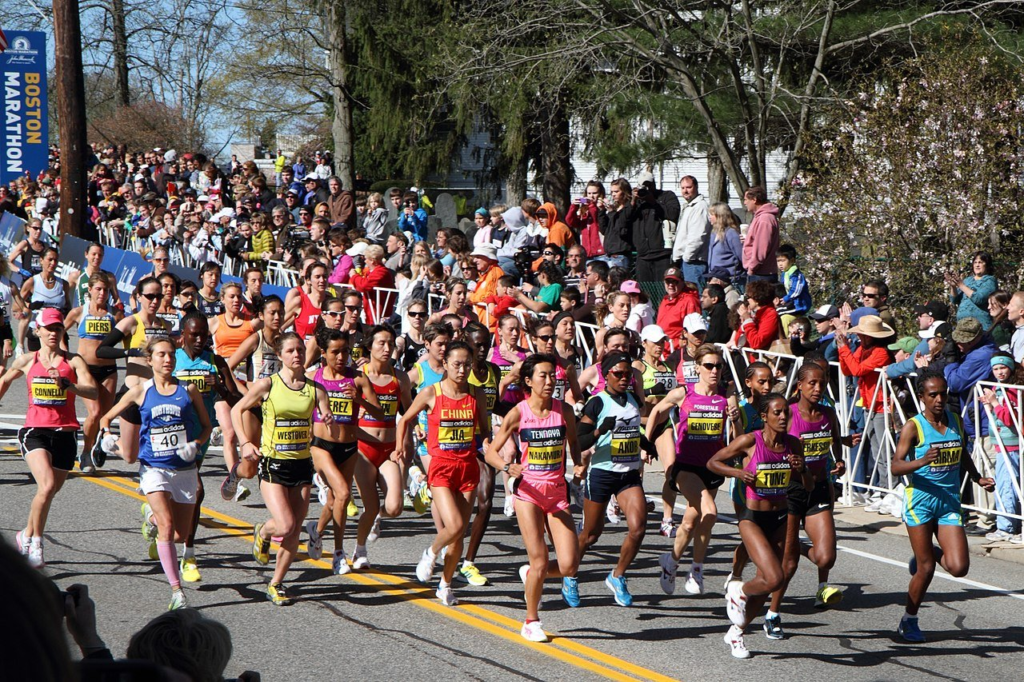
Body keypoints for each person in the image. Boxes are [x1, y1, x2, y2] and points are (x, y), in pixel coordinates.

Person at [100, 335, 212, 610]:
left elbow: (208, 426)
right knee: (167, 527)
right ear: (149, 360)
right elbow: (106, 417)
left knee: (179, 535)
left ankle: (148, 516)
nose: (167, 359)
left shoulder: (189, 390)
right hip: (153, 468)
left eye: (171, 355)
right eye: (161, 355)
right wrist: (106, 436)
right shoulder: (140, 391)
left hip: (184, 470)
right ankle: (177, 592)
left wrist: (195, 445)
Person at [231, 332, 334, 605]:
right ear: (279, 355)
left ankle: (276, 583)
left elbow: (325, 412)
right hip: (273, 463)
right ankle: (263, 532)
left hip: (301, 465)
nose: (297, 354)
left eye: (300, 349)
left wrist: (327, 416)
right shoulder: (268, 385)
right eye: (290, 350)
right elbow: (237, 410)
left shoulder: (315, 389)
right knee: (285, 524)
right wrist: (244, 443)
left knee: (295, 528)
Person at [891, 370, 994, 642]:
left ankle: (929, 551)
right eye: (933, 395)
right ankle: (909, 620)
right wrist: (921, 461)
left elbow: (962, 454)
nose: (939, 399)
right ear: (922, 397)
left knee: (959, 567)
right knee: (925, 569)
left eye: (943, 393)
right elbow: (895, 465)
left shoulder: (955, 421)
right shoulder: (913, 426)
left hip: (948, 501)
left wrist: (977, 477)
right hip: (921, 502)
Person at [486, 353, 583, 642]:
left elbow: (575, 441)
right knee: (540, 560)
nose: (550, 380)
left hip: (556, 492)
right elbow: (491, 451)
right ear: (528, 381)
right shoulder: (518, 412)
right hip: (527, 492)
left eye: (553, 375)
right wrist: (506, 466)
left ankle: (531, 574)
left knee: (569, 565)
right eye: (543, 375)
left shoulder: (563, 410)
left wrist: (578, 464)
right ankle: (531, 620)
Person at [709, 393, 809, 659]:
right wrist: (738, 473)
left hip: (779, 517)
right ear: (764, 417)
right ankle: (738, 589)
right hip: (751, 517)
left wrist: (803, 470)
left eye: (786, 412)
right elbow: (713, 462)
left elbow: (806, 487)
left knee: (770, 582)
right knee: (774, 577)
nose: (783, 417)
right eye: (777, 412)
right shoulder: (750, 441)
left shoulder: (793, 445)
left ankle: (736, 633)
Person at [0, 308, 98, 568]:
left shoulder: (73, 361)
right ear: (38, 331)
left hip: (66, 433)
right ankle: (36, 545)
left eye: (58, 328)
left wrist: (70, 386)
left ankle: (26, 534)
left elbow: (93, 392)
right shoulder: (29, 361)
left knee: (49, 492)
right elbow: (5, 381)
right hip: (35, 432)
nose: (53, 333)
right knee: (45, 487)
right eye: (49, 328)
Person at [759, 362, 847, 639]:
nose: (818, 388)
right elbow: (771, 445)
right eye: (812, 383)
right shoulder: (788, 414)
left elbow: (833, 443)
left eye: (822, 383)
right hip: (791, 492)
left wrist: (839, 461)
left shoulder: (828, 414)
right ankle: (773, 614)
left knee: (826, 557)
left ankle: (794, 545)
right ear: (799, 385)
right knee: (788, 565)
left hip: (819, 487)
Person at [398, 340, 489, 605]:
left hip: (468, 467)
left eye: (467, 364)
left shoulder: (477, 395)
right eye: (457, 364)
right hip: (440, 466)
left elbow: (483, 431)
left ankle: (446, 584)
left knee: (458, 535)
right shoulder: (431, 392)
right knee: (457, 525)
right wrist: (400, 449)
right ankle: (431, 551)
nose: (462, 370)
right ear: (446, 364)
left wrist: (490, 449)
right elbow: (405, 419)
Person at [576, 351, 653, 607]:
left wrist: (648, 446)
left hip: (628, 474)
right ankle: (570, 574)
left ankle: (617, 575)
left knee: (638, 527)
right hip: (602, 472)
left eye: (627, 374)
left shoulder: (631, 398)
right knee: (591, 534)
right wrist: (600, 430)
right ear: (606, 374)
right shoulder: (597, 402)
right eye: (618, 374)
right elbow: (579, 440)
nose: (623, 379)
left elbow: (632, 430)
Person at [651, 344, 729, 596]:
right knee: (710, 512)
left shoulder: (726, 396)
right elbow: (656, 410)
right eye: (708, 366)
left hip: (712, 467)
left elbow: (737, 433)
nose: (714, 370)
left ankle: (670, 562)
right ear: (697, 368)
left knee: (688, 524)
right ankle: (696, 569)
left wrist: (736, 418)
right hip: (685, 467)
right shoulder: (684, 393)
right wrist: (647, 443)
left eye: (718, 366)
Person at [304, 330, 383, 574]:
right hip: (321, 446)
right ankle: (339, 554)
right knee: (344, 493)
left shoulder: (358, 379)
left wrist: (360, 401)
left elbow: (380, 414)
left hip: (348, 448)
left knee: (334, 500)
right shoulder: (313, 378)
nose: (341, 357)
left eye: (345, 351)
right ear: (323, 353)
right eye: (335, 352)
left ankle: (316, 532)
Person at [354, 324, 414, 567]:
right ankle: (359, 551)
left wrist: (404, 442)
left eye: (391, 343)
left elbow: (408, 412)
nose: (387, 348)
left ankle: (379, 517)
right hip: (363, 449)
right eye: (381, 343)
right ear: (369, 346)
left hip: (389, 450)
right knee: (370, 505)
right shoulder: (359, 375)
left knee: (395, 506)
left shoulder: (400, 378)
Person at [96, 278, 172, 463]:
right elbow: (102, 349)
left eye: (158, 296)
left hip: (155, 395)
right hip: (132, 393)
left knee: (158, 445)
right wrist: (129, 351)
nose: (154, 301)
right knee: (130, 457)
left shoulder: (165, 326)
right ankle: (103, 444)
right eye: (150, 296)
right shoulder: (132, 322)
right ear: (139, 297)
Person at [63, 273, 120, 473]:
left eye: (106, 290)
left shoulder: (115, 314)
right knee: (94, 413)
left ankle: (98, 445)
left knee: (104, 415)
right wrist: (65, 355)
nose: (102, 293)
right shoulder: (79, 312)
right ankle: (86, 453)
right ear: (90, 290)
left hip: (109, 370)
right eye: (98, 289)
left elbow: (129, 334)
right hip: (86, 369)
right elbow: (60, 331)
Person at [836, 314, 894, 502]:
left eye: (863, 335)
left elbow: (857, 370)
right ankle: (881, 489)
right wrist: (841, 349)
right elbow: (847, 369)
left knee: (884, 450)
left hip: (880, 405)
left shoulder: (881, 353)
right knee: (876, 449)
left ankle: (888, 490)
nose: (860, 338)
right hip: (868, 404)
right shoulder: (863, 349)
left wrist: (844, 348)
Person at [211, 283, 256, 502]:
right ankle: (233, 481)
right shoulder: (215, 322)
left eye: (239, 297)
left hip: (245, 387)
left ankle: (239, 472)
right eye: (231, 297)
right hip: (224, 384)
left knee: (242, 435)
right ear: (223, 299)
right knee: (230, 433)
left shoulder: (250, 325)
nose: (236, 300)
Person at [979, 354, 1023, 542]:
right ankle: (1010, 524)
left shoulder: (1010, 391)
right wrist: (990, 403)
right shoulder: (999, 387)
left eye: (1003, 368)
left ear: (1011, 368)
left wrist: (995, 402)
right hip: (1001, 443)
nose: (999, 372)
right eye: (995, 369)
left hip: (1010, 444)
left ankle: (1006, 527)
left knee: (1007, 486)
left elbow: (1009, 419)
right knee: (1009, 485)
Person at [20, 247, 71, 352]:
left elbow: (68, 305)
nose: (53, 263)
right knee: (36, 365)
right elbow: (17, 305)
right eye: (50, 259)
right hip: (37, 329)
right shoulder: (32, 282)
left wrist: (65, 312)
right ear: (41, 260)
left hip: (57, 330)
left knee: (62, 362)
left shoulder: (63, 284)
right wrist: (30, 306)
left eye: (55, 260)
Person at [672, 175, 711, 289]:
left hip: (694, 262)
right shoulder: (689, 206)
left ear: (696, 187)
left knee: (697, 297)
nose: (685, 191)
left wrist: (687, 257)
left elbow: (697, 237)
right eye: (683, 188)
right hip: (686, 262)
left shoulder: (700, 207)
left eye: (688, 187)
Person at [947, 251, 997, 329]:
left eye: (980, 262)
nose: (977, 265)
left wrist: (961, 285)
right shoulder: (967, 280)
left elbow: (979, 298)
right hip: (962, 326)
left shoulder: (990, 281)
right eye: (975, 262)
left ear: (987, 265)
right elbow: (954, 300)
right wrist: (953, 287)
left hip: (980, 327)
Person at [740, 185, 780, 282]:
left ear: (754, 199)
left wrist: (752, 268)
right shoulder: (760, 217)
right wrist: (748, 241)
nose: (744, 203)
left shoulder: (764, 219)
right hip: (760, 272)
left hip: (761, 274)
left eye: (746, 199)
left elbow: (762, 248)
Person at [655, 267, 700, 351]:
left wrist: (678, 344)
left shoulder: (690, 301)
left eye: (674, 282)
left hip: (677, 351)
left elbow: (694, 331)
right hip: (662, 348)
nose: (671, 285)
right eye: (668, 281)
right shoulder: (665, 300)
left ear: (682, 283)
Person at [706, 203, 745, 287]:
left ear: (720, 216)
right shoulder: (714, 233)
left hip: (731, 280)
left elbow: (741, 257)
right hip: (715, 278)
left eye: (712, 215)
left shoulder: (731, 233)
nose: (709, 217)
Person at [739, 280, 780, 351]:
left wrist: (748, 320)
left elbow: (756, 343)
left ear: (757, 299)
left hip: (767, 359)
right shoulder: (755, 314)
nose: (747, 300)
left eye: (748, 297)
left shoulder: (771, 315)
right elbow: (739, 343)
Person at [775, 244, 811, 316]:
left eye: (783, 260)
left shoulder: (796, 274)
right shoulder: (785, 273)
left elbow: (796, 290)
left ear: (792, 260)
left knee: (778, 312)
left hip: (799, 305)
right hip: (791, 302)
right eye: (778, 261)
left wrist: (786, 298)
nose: (780, 264)